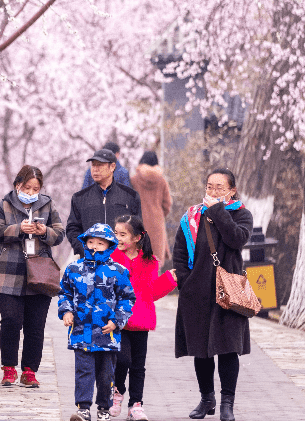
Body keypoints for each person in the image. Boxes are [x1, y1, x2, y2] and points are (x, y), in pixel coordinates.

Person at [173, 168, 252, 421]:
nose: (213, 191)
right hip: (197, 292)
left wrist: (217, 211)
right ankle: (207, 399)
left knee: (229, 349)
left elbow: (236, 239)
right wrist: (185, 282)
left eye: (219, 187)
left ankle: (227, 403)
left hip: (229, 292)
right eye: (210, 186)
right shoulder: (192, 216)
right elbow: (180, 252)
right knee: (201, 349)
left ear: (232, 190)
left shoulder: (241, 215)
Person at [0, 165, 65, 388]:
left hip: (40, 272)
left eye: (35, 189)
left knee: (36, 325)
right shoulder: (4, 203)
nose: (31, 193)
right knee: (11, 320)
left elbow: (60, 233)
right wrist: (18, 229)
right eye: (27, 188)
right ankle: (9, 369)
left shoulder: (47, 204)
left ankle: (30, 371)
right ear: (17, 185)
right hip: (8, 272)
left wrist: (45, 232)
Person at [58, 223, 135, 421]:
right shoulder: (74, 269)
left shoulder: (118, 271)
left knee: (105, 375)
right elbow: (64, 293)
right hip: (81, 333)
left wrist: (118, 321)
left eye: (100, 243)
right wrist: (66, 311)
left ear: (109, 246)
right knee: (83, 372)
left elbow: (127, 299)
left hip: (107, 334)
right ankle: (83, 408)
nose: (94, 246)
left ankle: (104, 408)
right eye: (90, 242)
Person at [108, 215, 177, 421]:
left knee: (138, 365)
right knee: (122, 359)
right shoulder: (111, 258)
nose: (118, 238)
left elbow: (151, 292)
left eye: (123, 234)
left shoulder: (150, 262)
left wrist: (169, 280)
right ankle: (117, 391)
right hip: (118, 320)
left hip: (141, 319)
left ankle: (136, 405)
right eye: (116, 233)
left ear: (137, 237)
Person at [66, 148, 142, 257]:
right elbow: (72, 229)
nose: (95, 169)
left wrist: (128, 253)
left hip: (122, 263)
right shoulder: (80, 198)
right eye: (93, 165)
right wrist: (84, 250)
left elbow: (137, 229)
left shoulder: (130, 196)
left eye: (100, 165)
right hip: (90, 263)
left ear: (112, 167)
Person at [129, 151, 173, 264]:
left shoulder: (134, 180)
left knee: (137, 265)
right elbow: (167, 204)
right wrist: (159, 215)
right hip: (157, 226)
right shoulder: (162, 181)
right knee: (155, 266)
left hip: (138, 225)